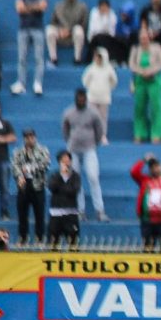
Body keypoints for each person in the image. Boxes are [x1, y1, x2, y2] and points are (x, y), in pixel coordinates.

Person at [62, 88, 107, 221]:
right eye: (78, 99)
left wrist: (94, 142)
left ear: (86, 99)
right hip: (73, 151)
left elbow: (99, 130)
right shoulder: (68, 113)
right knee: (76, 180)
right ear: (75, 99)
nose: (81, 101)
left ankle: (99, 210)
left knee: (93, 177)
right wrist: (71, 142)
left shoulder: (93, 113)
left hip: (89, 149)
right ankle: (80, 210)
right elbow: (65, 131)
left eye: (83, 99)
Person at [11, 127, 49, 244]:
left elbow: (45, 164)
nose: (29, 140)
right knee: (22, 214)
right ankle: (23, 237)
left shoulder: (42, 150)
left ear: (35, 137)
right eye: (27, 137)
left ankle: (40, 238)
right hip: (23, 186)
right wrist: (19, 176)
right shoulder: (18, 152)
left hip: (38, 186)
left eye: (31, 137)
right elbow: (14, 166)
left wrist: (29, 169)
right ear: (24, 139)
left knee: (39, 214)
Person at [129, 27, 161, 144]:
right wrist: (141, 72)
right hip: (140, 81)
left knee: (156, 108)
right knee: (139, 108)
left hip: (154, 80)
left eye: (145, 37)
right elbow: (131, 64)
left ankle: (157, 134)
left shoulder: (157, 48)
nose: (143, 40)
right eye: (141, 38)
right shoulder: (135, 49)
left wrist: (150, 71)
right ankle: (140, 133)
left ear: (150, 37)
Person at [10, 0, 46, 96]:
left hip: (37, 29)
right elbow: (19, 8)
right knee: (22, 58)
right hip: (23, 29)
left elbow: (42, 7)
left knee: (39, 58)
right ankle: (21, 83)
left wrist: (27, 7)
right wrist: (34, 7)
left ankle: (38, 83)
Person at [129, 154, 161, 250]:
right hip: (147, 221)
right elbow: (134, 172)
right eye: (152, 167)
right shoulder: (144, 180)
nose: (155, 169)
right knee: (148, 247)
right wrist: (144, 160)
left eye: (157, 166)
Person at [46, 0, 88, 67]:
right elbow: (52, 22)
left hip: (73, 34)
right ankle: (53, 59)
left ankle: (77, 59)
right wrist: (60, 30)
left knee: (79, 30)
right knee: (49, 30)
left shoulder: (82, 6)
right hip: (60, 33)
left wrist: (69, 30)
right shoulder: (58, 6)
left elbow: (84, 25)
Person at [81, 48, 117, 145]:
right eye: (96, 57)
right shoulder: (91, 68)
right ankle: (91, 136)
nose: (98, 59)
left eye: (100, 57)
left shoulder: (109, 69)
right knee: (91, 116)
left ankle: (102, 135)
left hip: (104, 98)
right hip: (92, 97)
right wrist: (92, 89)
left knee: (103, 118)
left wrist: (108, 88)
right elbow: (85, 81)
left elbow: (114, 81)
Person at [46, 149, 80, 250]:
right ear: (59, 162)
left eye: (68, 160)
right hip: (56, 213)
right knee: (54, 243)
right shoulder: (54, 175)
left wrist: (61, 188)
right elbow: (52, 187)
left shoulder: (75, 176)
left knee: (73, 243)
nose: (66, 162)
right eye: (63, 160)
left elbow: (73, 191)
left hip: (71, 213)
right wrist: (62, 176)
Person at [88, 0, 125, 66]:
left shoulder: (112, 14)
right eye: (102, 6)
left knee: (114, 40)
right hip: (94, 40)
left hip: (107, 39)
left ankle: (113, 60)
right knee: (100, 37)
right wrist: (105, 18)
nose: (103, 8)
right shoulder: (94, 13)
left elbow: (112, 33)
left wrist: (106, 16)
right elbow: (95, 30)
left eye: (105, 6)